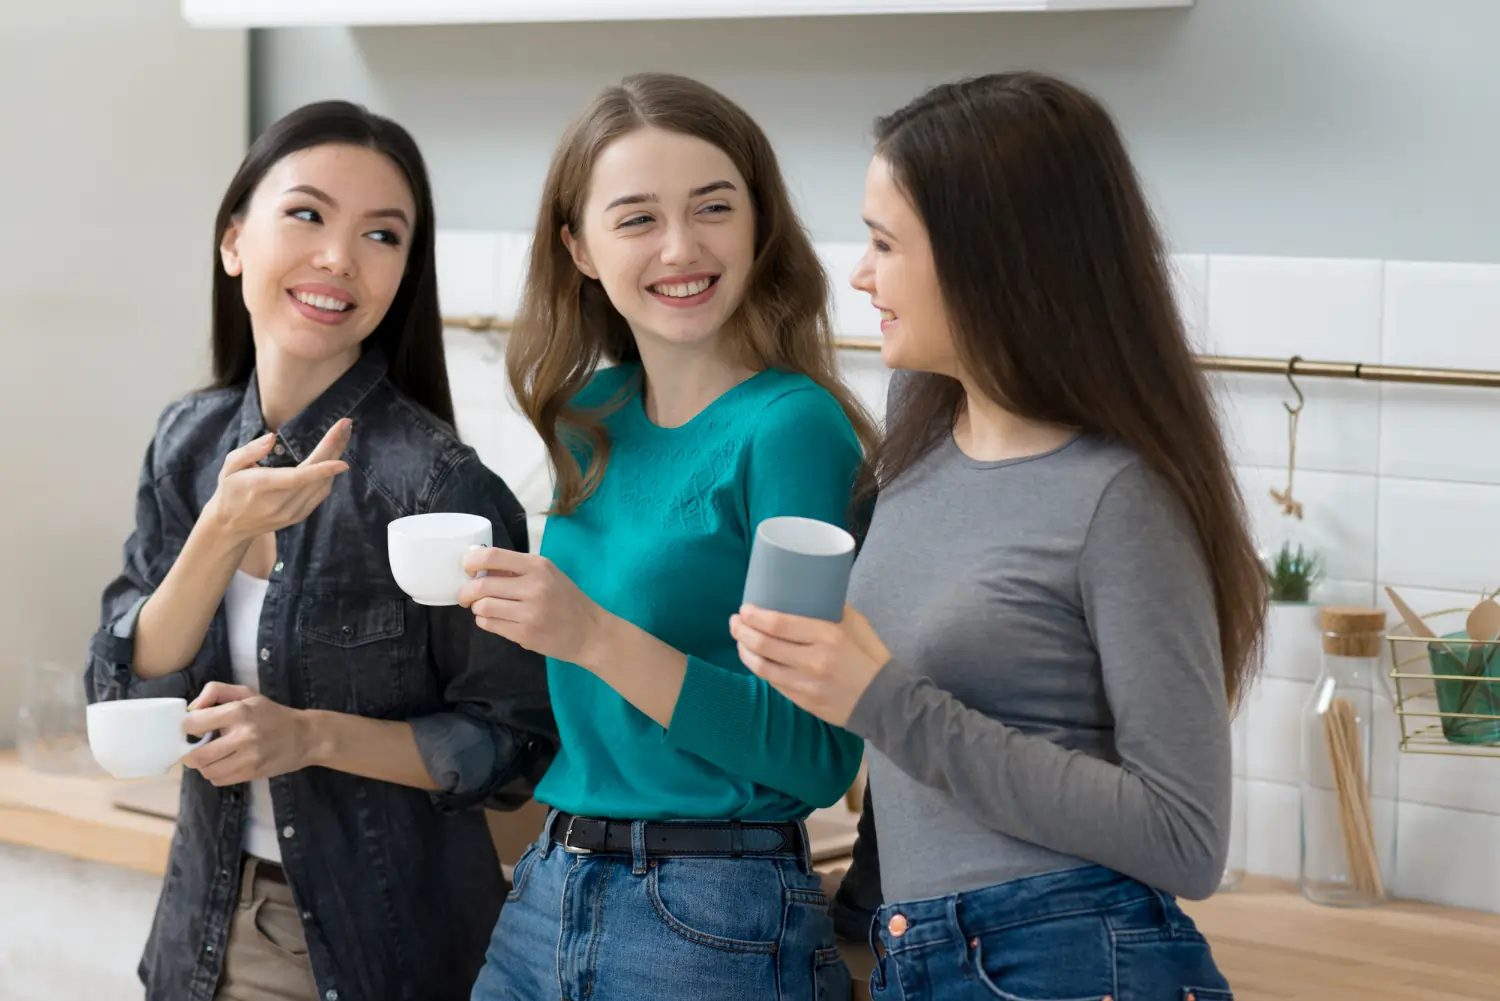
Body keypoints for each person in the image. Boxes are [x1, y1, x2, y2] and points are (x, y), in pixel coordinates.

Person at [730, 71, 1264, 1001]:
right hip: (922, 946)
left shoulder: (1118, 497)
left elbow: (1186, 836)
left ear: (990, 259)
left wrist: (883, 698)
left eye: (884, 243)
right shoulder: (922, 430)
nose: (860, 272)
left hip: (1066, 954)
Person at [84, 100, 557, 1001]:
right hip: (196, 934)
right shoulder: (187, 442)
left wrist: (307, 737)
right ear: (234, 239)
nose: (340, 257)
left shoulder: (439, 487)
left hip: (370, 951)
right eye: (307, 214)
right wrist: (218, 531)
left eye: (382, 234)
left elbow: (514, 746)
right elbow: (119, 691)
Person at [458, 71, 877, 1001]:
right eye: (637, 217)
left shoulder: (790, 430)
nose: (682, 247)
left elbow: (818, 752)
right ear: (580, 247)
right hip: (550, 884)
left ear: (759, 222)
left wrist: (594, 637)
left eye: (713, 207)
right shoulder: (589, 417)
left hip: (713, 912)